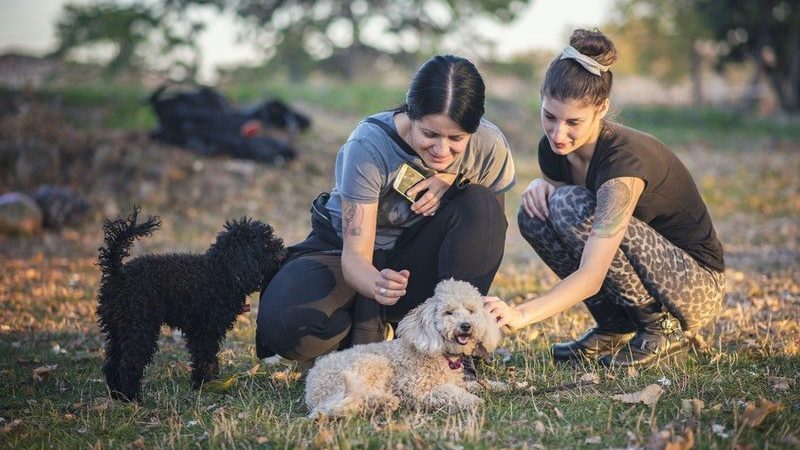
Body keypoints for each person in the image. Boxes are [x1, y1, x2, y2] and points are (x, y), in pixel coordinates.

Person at [484, 29, 725, 368]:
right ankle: (616, 324)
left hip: (694, 285)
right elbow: (565, 224)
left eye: (573, 122)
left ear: (601, 109)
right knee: (535, 213)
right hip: (649, 275)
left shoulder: (622, 163)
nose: (558, 133)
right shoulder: (553, 150)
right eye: (549, 116)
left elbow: (593, 272)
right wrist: (542, 184)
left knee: (568, 206)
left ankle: (661, 329)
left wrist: (522, 314)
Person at [256, 55, 516, 362]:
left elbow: (488, 231)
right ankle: (369, 330)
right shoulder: (369, 146)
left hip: (415, 261)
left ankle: (450, 351)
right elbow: (356, 257)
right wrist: (376, 284)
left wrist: (457, 183)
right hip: (346, 256)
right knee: (288, 330)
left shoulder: (489, 145)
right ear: (411, 112)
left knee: (481, 204)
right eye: (429, 134)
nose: (442, 150)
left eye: (456, 139)